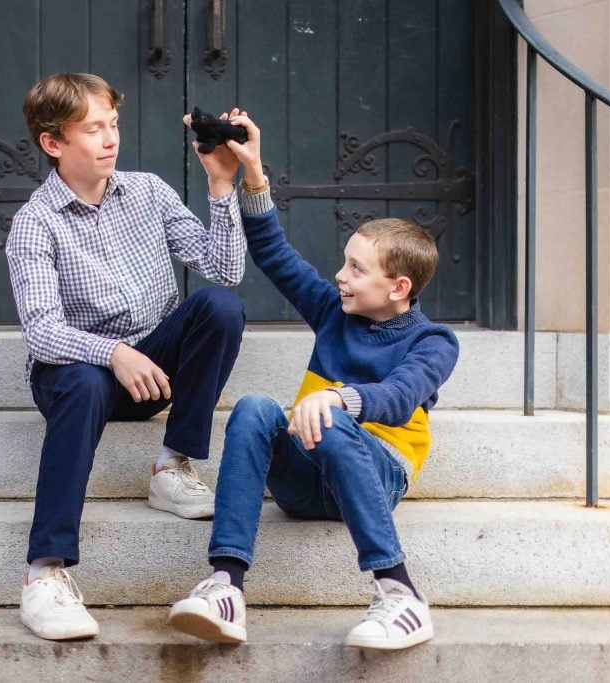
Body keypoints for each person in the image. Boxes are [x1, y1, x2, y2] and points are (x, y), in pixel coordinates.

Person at [168, 114, 459, 650]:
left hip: (378, 473)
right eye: (344, 265)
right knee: (256, 407)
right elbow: (275, 256)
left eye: (355, 269)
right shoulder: (334, 311)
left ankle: (401, 594)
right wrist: (251, 176)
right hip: (304, 478)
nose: (340, 277)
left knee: (330, 420)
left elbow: (396, 400)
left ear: (398, 287)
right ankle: (226, 586)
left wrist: (336, 398)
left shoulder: (433, 342)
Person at [6, 72, 257, 640]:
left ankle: (172, 466)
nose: (110, 138)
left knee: (219, 306)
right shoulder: (34, 224)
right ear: (53, 143)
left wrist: (221, 186)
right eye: (93, 129)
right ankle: (44, 573)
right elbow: (43, 333)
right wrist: (112, 351)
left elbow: (226, 271)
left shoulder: (148, 191)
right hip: (74, 379)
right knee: (85, 381)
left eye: (113, 125)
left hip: (151, 371)